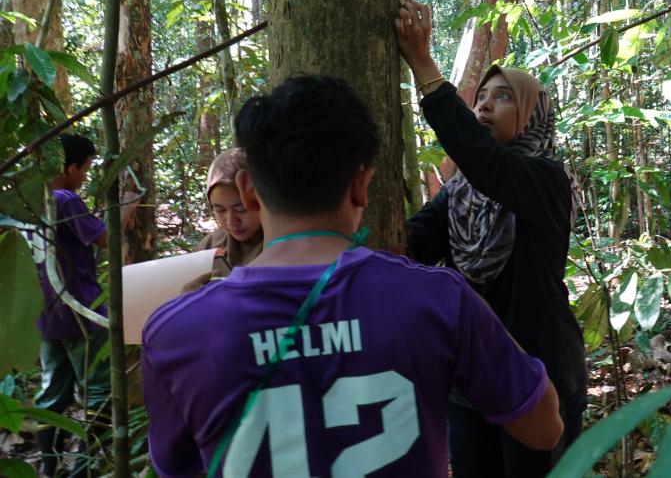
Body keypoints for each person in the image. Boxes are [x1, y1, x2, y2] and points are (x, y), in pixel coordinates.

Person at [140, 75, 562, 477]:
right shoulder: (438, 300)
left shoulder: (175, 330)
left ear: (249, 192)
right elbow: (544, 428)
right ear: (362, 185)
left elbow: (178, 466)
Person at [395, 1, 587, 477]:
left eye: (501, 97)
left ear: (531, 114)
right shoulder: (460, 192)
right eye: (481, 95)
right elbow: (418, 240)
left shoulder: (545, 180)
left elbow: (486, 162)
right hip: (470, 379)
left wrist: (424, 66)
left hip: (539, 375)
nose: (482, 103)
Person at [34, 133, 135, 477]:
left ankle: (49, 466)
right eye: (85, 170)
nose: (84, 178)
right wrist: (131, 205)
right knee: (101, 393)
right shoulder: (64, 198)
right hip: (81, 311)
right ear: (70, 167)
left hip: (45, 313)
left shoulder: (32, 199)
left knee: (53, 391)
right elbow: (106, 238)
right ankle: (85, 468)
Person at [182, 148, 264, 291]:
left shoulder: (280, 247)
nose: (231, 221)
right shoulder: (210, 247)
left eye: (241, 209)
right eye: (220, 210)